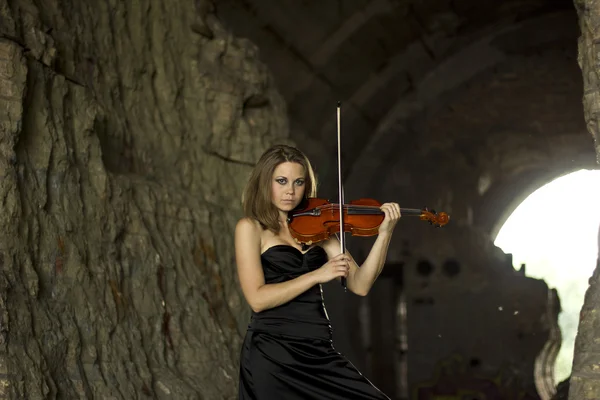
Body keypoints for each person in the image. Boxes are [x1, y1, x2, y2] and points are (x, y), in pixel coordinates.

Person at [235, 144, 401, 399]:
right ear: (264, 181)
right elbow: (258, 300)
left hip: (318, 349)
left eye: (298, 182)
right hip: (272, 352)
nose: (290, 191)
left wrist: (384, 234)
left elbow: (360, 284)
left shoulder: (319, 227)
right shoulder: (251, 228)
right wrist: (317, 274)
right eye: (281, 181)